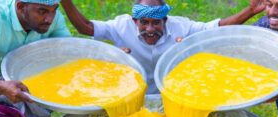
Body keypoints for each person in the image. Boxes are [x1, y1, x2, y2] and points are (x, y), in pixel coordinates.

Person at [61, 0, 266, 94]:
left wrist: (250, 11)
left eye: (156, 23)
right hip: (131, 94)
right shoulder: (120, 26)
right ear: (134, 21)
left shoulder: (181, 27)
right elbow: (86, 28)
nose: (150, 29)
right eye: (144, 23)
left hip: (172, 94)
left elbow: (216, 28)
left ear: (165, 20)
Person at [0, 0, 71, 117]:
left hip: (27, 72)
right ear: (21, 7)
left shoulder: (54, 18)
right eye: (42, 11)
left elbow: (71, 55)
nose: (50, 19)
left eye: (54, 9)